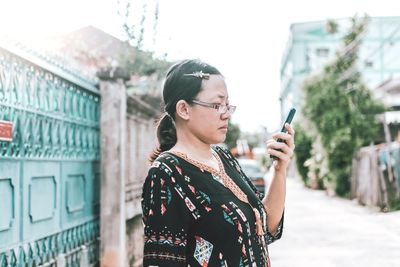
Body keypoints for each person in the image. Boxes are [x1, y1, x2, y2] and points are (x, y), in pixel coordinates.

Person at [141, 59, 295, 267]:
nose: (226, 114)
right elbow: (162, 262)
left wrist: (279, 169)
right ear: (184, 109)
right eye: (217, 105)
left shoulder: (224, 158)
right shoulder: (166, 172)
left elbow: (266, 227)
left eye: (227, 105)